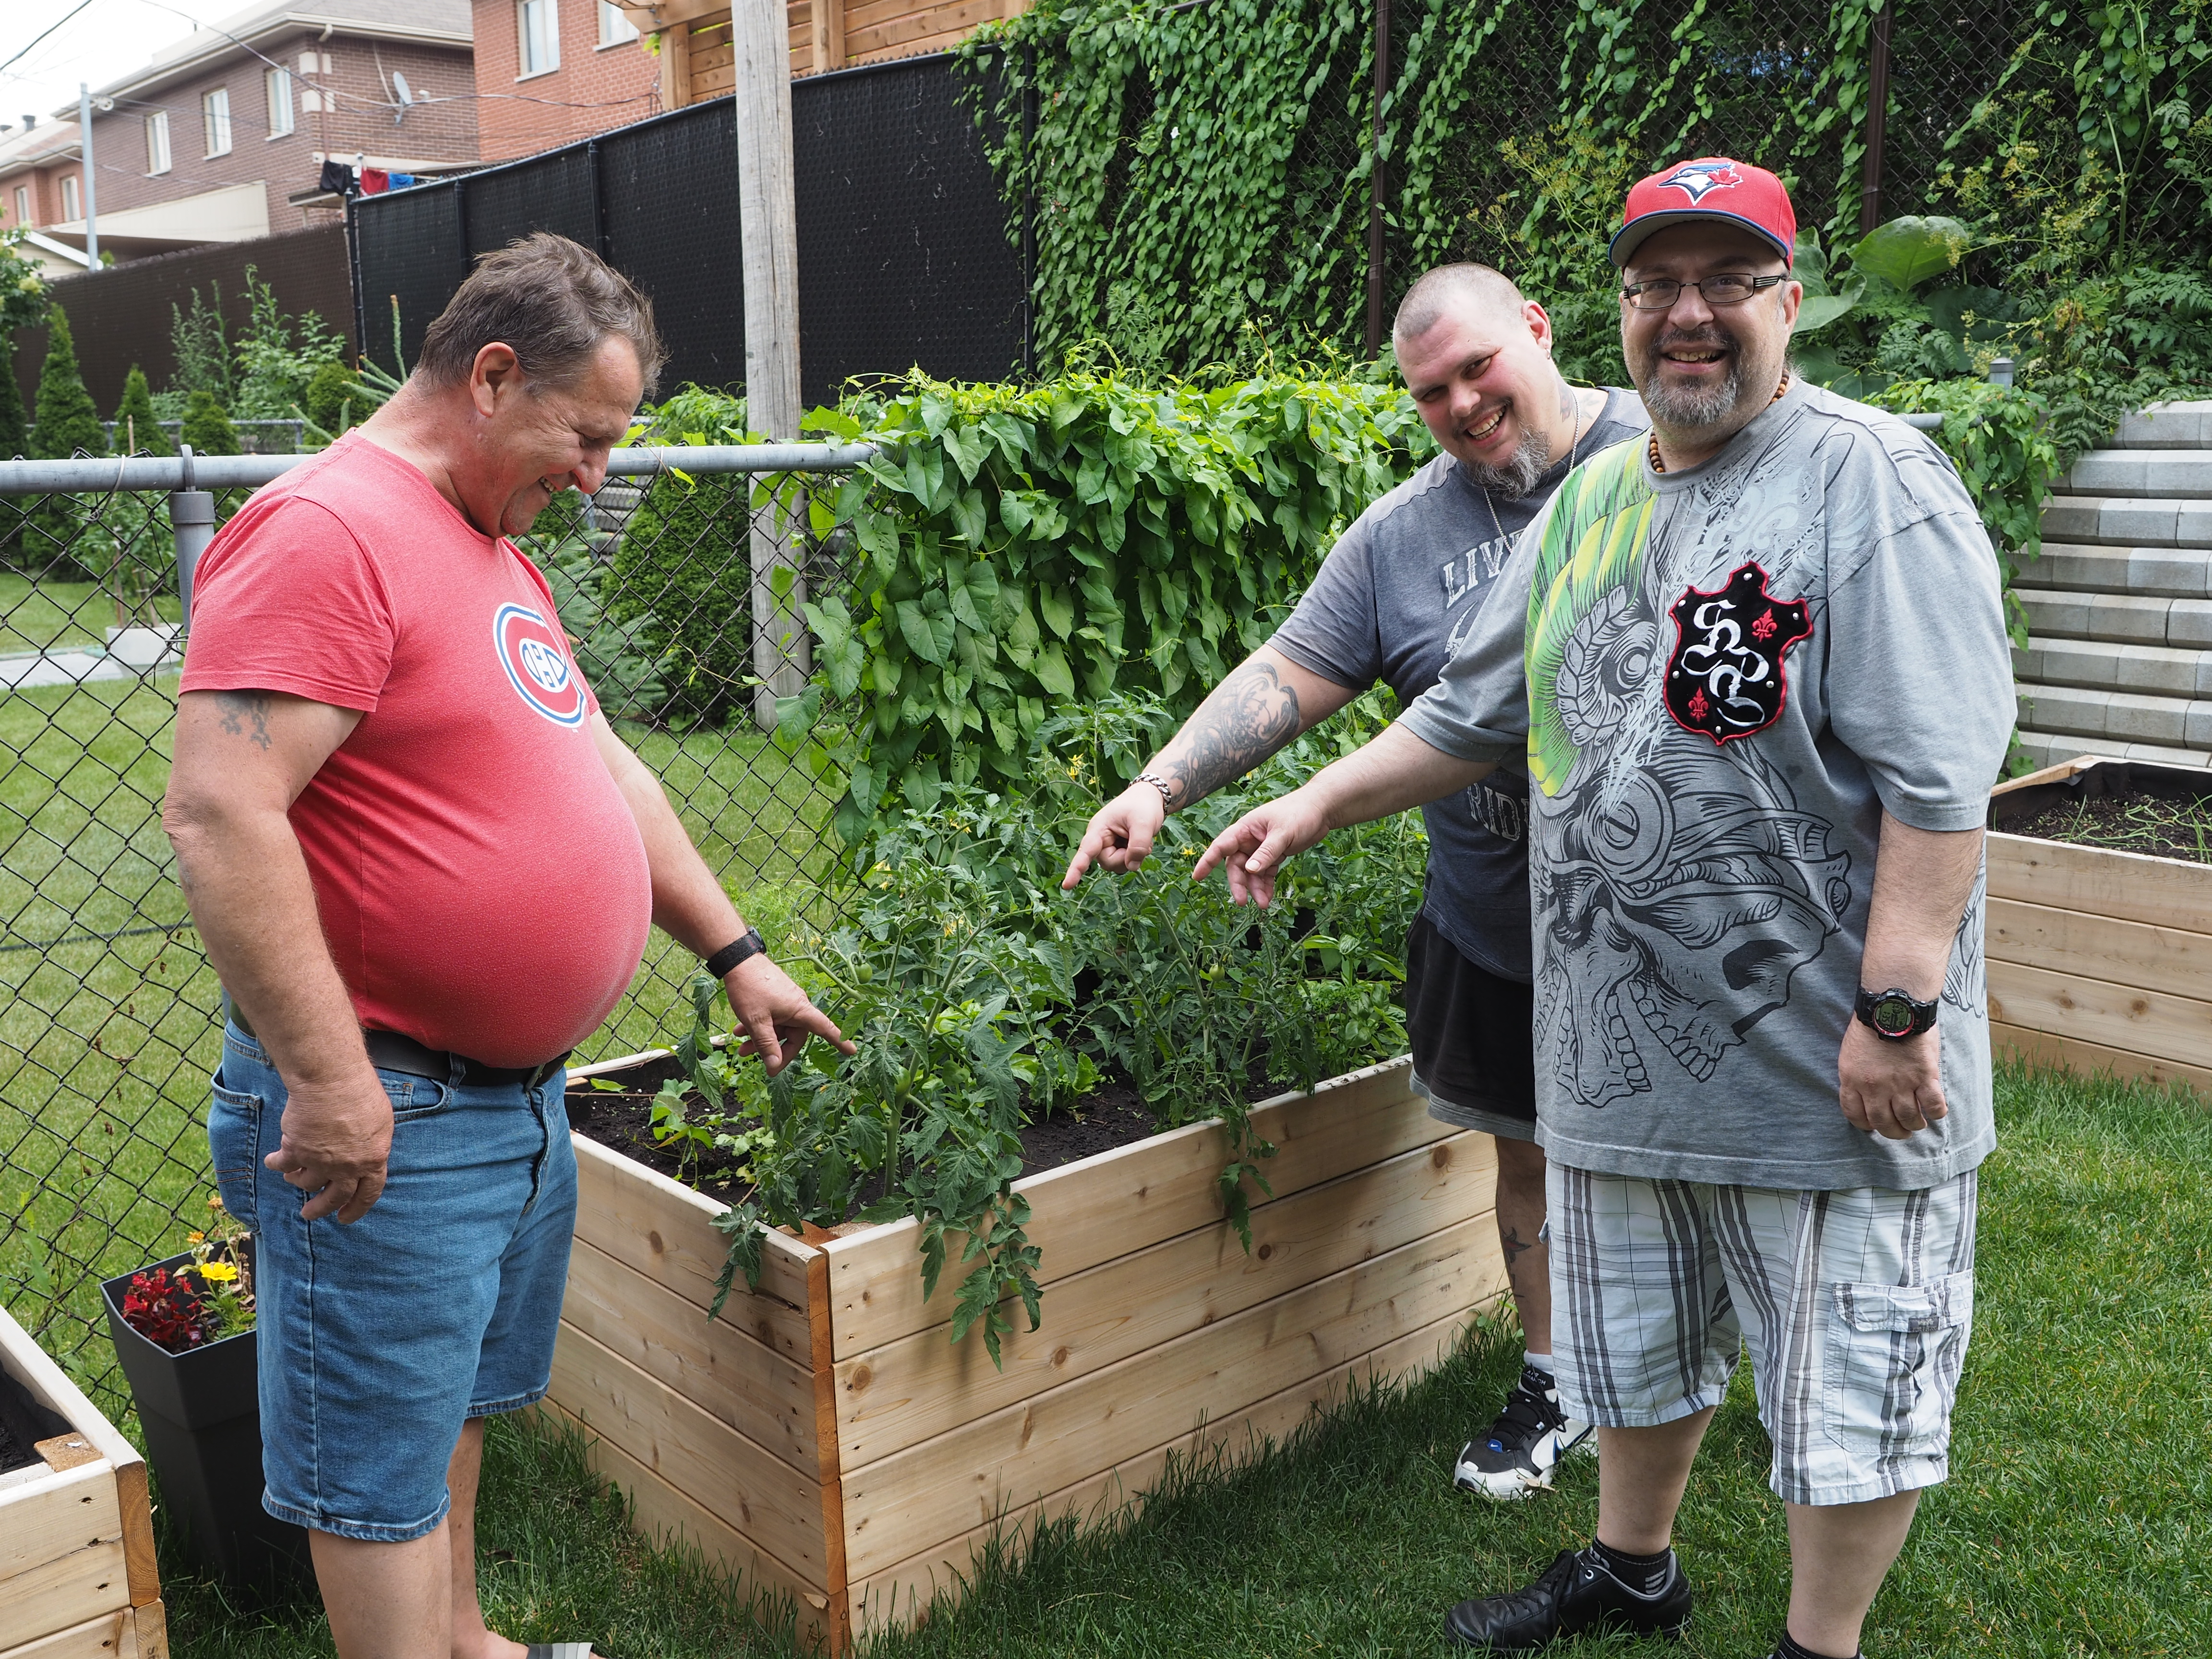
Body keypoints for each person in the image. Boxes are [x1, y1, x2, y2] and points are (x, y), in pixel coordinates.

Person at [1192, 157, 2012, 1659]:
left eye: (1724, 284)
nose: (1687, 317)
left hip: (1817, 1069)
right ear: (1622, 313)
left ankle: (1814, 1645)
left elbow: (1943, 771)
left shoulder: (1869, 480)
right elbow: (1467, 714)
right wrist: (1312, 801)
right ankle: (1634, 1571)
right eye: (1659, 288)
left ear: (1791, 300)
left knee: (1849, 1389)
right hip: (1621, 1062)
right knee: (1633, 1354)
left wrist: (1898, 1009)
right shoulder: (1596, 504)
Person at [161, 233, 852, 1659]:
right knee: (372, 1482)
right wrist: (333, 1081)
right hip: (393, 1108)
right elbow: (222, 813)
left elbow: (609, 776)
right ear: (489, 377)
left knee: (454, 1407)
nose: (599, 475)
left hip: (509, 1105)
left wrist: (734, 951)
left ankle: (467, 1643)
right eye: (586, 435)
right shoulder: (327, 532)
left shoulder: (480, 547)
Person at [1063, 262, 1647, 1500]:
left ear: (1535, 329)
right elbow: (1289, 672)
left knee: (1685, 1161)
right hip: (1498, 924)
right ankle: (1557, 1381)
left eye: (1480, 366)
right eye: (1432, 392)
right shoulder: (1401, 535)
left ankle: (1688, 1369)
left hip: (1668, 922)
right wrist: (1159, 787)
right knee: (1530, 1159)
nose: (1464, 403)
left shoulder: (1668, 447)